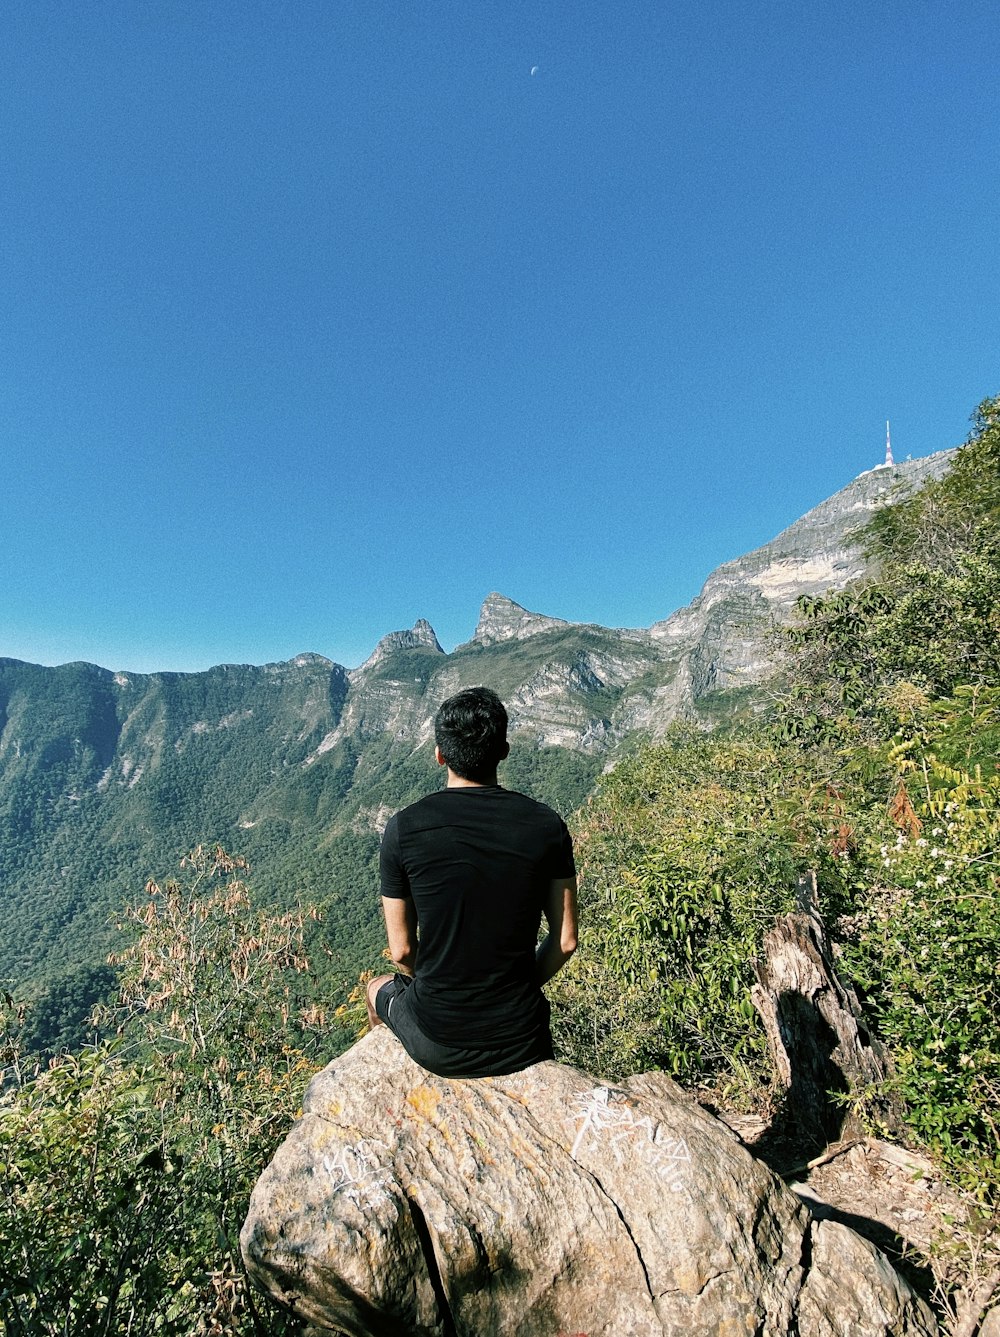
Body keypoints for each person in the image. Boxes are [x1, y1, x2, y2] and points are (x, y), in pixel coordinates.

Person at [366, 686, 578, 1078]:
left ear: (439, 755)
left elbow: (401, 951)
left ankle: (389, 1077)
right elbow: (565, 941)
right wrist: (512, 988)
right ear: (504, 751)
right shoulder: (546, 825)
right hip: (524, 1040)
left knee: (377, 987)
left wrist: (441, 986)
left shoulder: (404, 829)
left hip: (439, 1042)